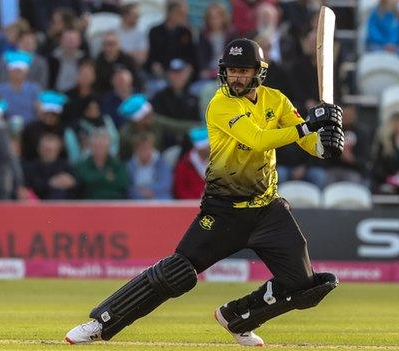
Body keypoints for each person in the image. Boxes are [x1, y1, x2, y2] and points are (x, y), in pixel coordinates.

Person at [65, 38, 344, 346]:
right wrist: (308, 126)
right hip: (224, 210)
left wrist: (324, 141)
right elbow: (258, 139)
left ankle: (238, 317)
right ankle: (101, 323)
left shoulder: (276, 100)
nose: (236, 77)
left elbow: (309, 143)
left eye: (243, 71)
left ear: (258, 72)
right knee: (177, 273)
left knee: (304, 287)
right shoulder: (220, 104)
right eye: (232, 70)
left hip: (268, 210)